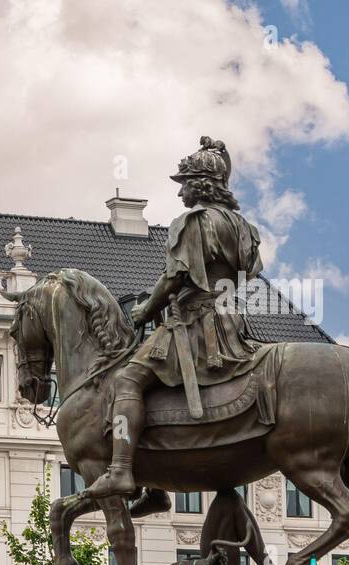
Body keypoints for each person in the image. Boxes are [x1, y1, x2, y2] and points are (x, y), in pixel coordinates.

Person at [83, 136, 265, 501]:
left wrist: (145, 310)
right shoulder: (243, 227)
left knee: (129, 381)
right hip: (233, 323)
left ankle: (120, 470)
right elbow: (251, 273)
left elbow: (174, 277)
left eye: (183, 184)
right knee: (164, 391)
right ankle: (155, 485)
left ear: (197, 183)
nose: (180, 192)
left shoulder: (193, 221)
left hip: (197, 325)